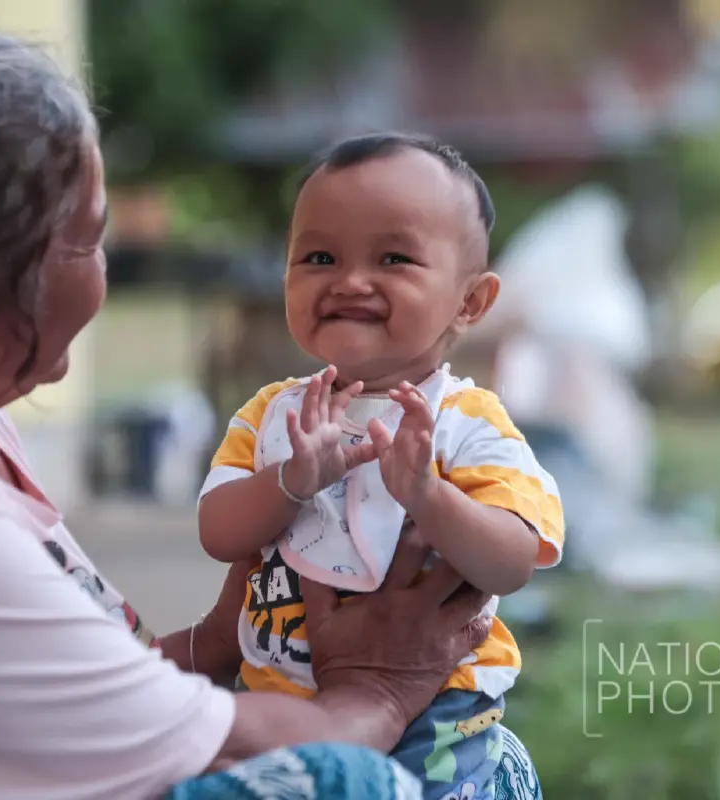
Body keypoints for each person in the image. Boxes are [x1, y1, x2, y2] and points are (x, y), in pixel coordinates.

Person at [0, 24, 544, 800]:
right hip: (352, 696)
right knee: (355, 784)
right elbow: (234, 741)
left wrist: (220, 638)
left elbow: (95, 681)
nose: (107, 269)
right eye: (93, 233)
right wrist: (381, 692)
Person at [197, 134, 566, 799]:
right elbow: (219, 533)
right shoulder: (271, 415)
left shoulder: (467, 422)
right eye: (318, 256)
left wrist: (428, 495)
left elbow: (511, 561)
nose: (349, 280)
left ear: (471, 301)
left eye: (393, 257)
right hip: (283, 707)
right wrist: (288, 481)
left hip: (437, 718)